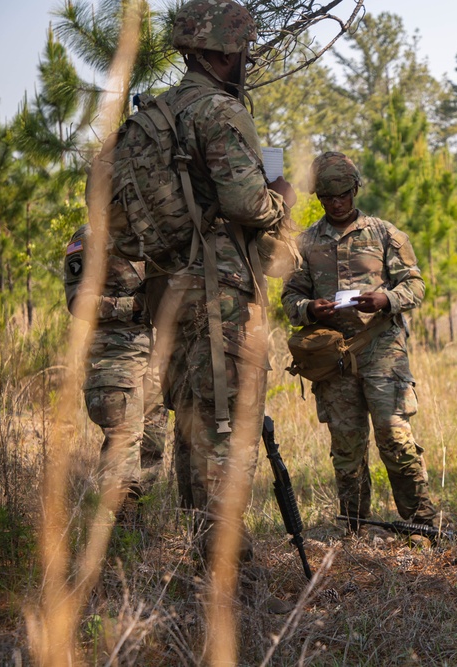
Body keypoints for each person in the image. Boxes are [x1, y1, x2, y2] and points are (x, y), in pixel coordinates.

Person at [140, 0, 296, 565]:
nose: (246, 57)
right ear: (225, 52)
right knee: (229, 426)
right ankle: (227, 564)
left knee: (191, 422)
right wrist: (280, 196)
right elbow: (243, 201)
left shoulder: (160, 111)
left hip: (170, 291)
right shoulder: (218, 111)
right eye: (241, 49)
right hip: (220, 291)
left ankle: (204, 551)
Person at [281, 152, 438, 531]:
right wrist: (310, 309)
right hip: (332, 355)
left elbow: (416, 285)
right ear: (318, 197)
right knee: (347, 446)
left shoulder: (385, 234)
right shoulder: (305, 243)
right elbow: (290, 298)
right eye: (327, 198)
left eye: (343, 195)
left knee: (394, 435)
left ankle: (421, 523)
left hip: (382, 348)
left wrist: (387, 299)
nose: (336, 204)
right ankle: (354, 525)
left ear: (355, 190)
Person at [64, 224, 168, 515]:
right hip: (114, 356)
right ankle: (118, 531)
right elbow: (77, 301)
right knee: (123, 443)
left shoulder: (153, 230)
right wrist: (132, 306)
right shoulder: (88, 237)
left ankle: (136, 531)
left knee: (152, 446)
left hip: (154, 358)